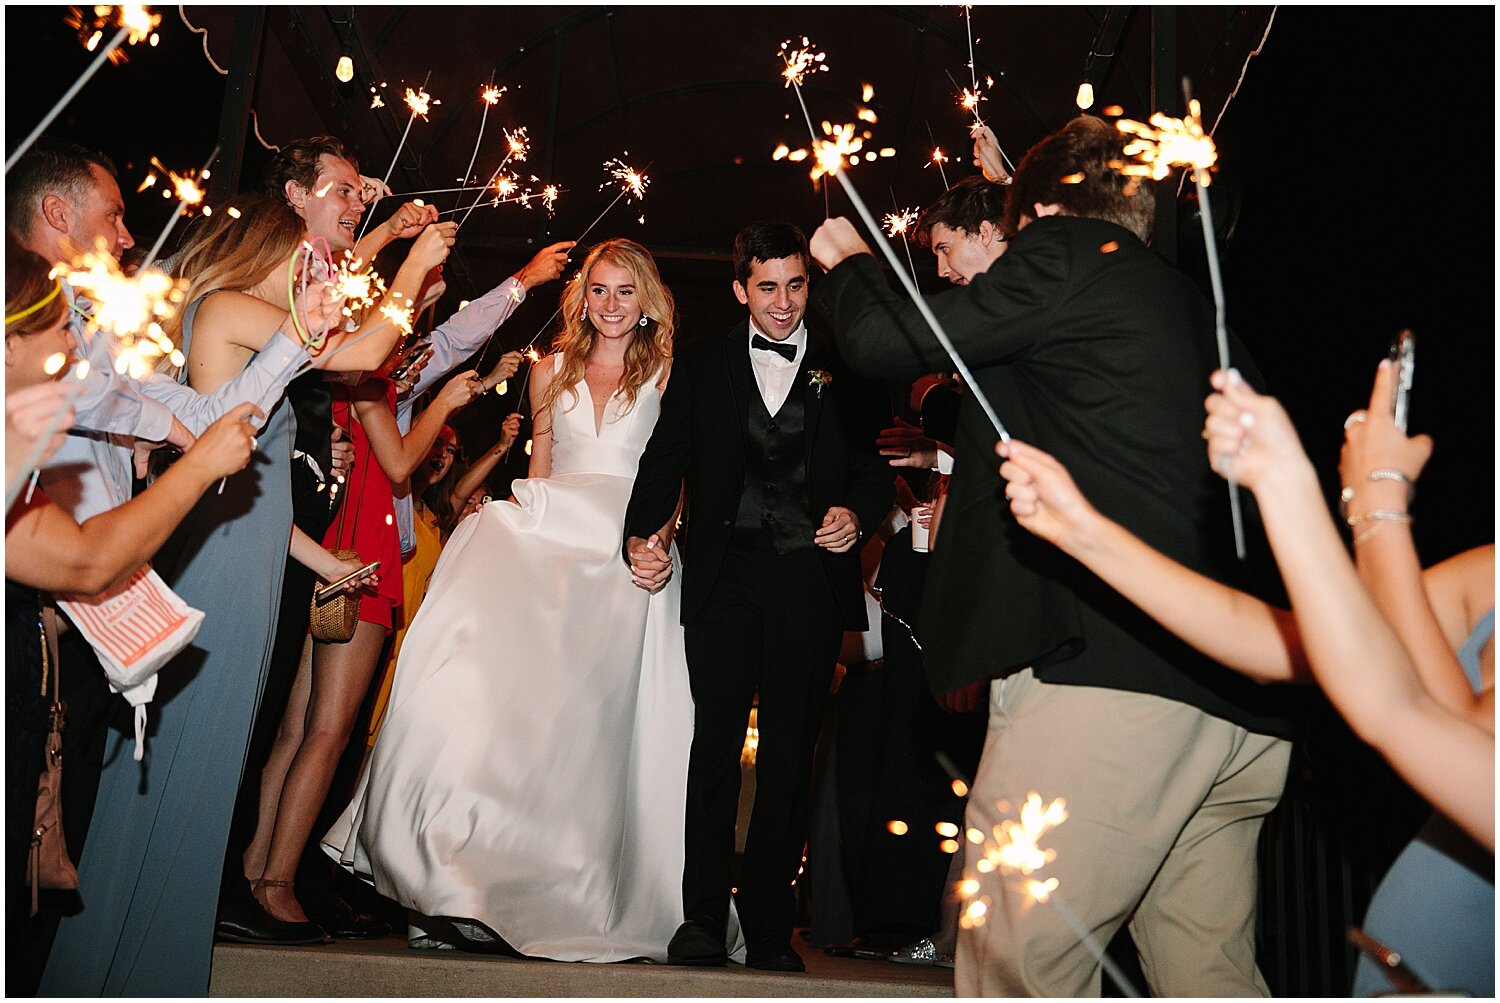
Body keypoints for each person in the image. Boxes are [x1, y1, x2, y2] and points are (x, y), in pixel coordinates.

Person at [809, 115, 1292, 996]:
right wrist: (940, 421)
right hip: (1235, 705)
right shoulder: (1193, 314)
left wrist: (848, 264)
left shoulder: (1067, 254)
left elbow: (882, 340)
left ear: (1032, 218)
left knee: (1015, 968)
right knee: (1207, 974)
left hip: (1111, 684)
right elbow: (1033, 421)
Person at [994, 361, 1494, 995]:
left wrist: (1367, 499)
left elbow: (1411, 715)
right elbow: (1282, 642)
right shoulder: (1488, 572)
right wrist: (1085, 533)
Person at [36, 194, 394, 995]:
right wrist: (417, 267)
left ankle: (155, 959)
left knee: (212, 762)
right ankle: (107, 965)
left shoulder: (247, 320)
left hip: (257, 553)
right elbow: (351, 359)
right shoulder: (228, 304)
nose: (314, 268)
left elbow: (219, 430)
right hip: (220, 555)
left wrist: (316, 560)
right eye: (301, 255)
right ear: (268, 247)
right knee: (171, 760)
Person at [325, 238, 701, 962]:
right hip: (551, 539)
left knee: (585, 735)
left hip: (628, 554)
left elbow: (675, 476)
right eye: (599, 289)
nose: (611, 304)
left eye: (626, 292)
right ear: (582, 296)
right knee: (489, 697)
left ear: (646, 301)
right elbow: (543, 467)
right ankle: (448, 877)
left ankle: (563, 882)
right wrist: (512, 516)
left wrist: (659, 538)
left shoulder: (669, 377)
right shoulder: (550, 370)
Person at [623, 221, 892, 972]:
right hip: (724, 578)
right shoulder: (705, 363)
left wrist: (854, 513)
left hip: (807, 580)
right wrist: (640, 538)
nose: (783, 303)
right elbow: (664, 457)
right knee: (712, 750)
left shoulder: (848, 365)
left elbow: (873, 469)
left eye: (797, 285)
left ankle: (770, 925)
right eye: (767, 287)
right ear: (742, 288)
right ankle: (702, 919)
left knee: (786, 759)